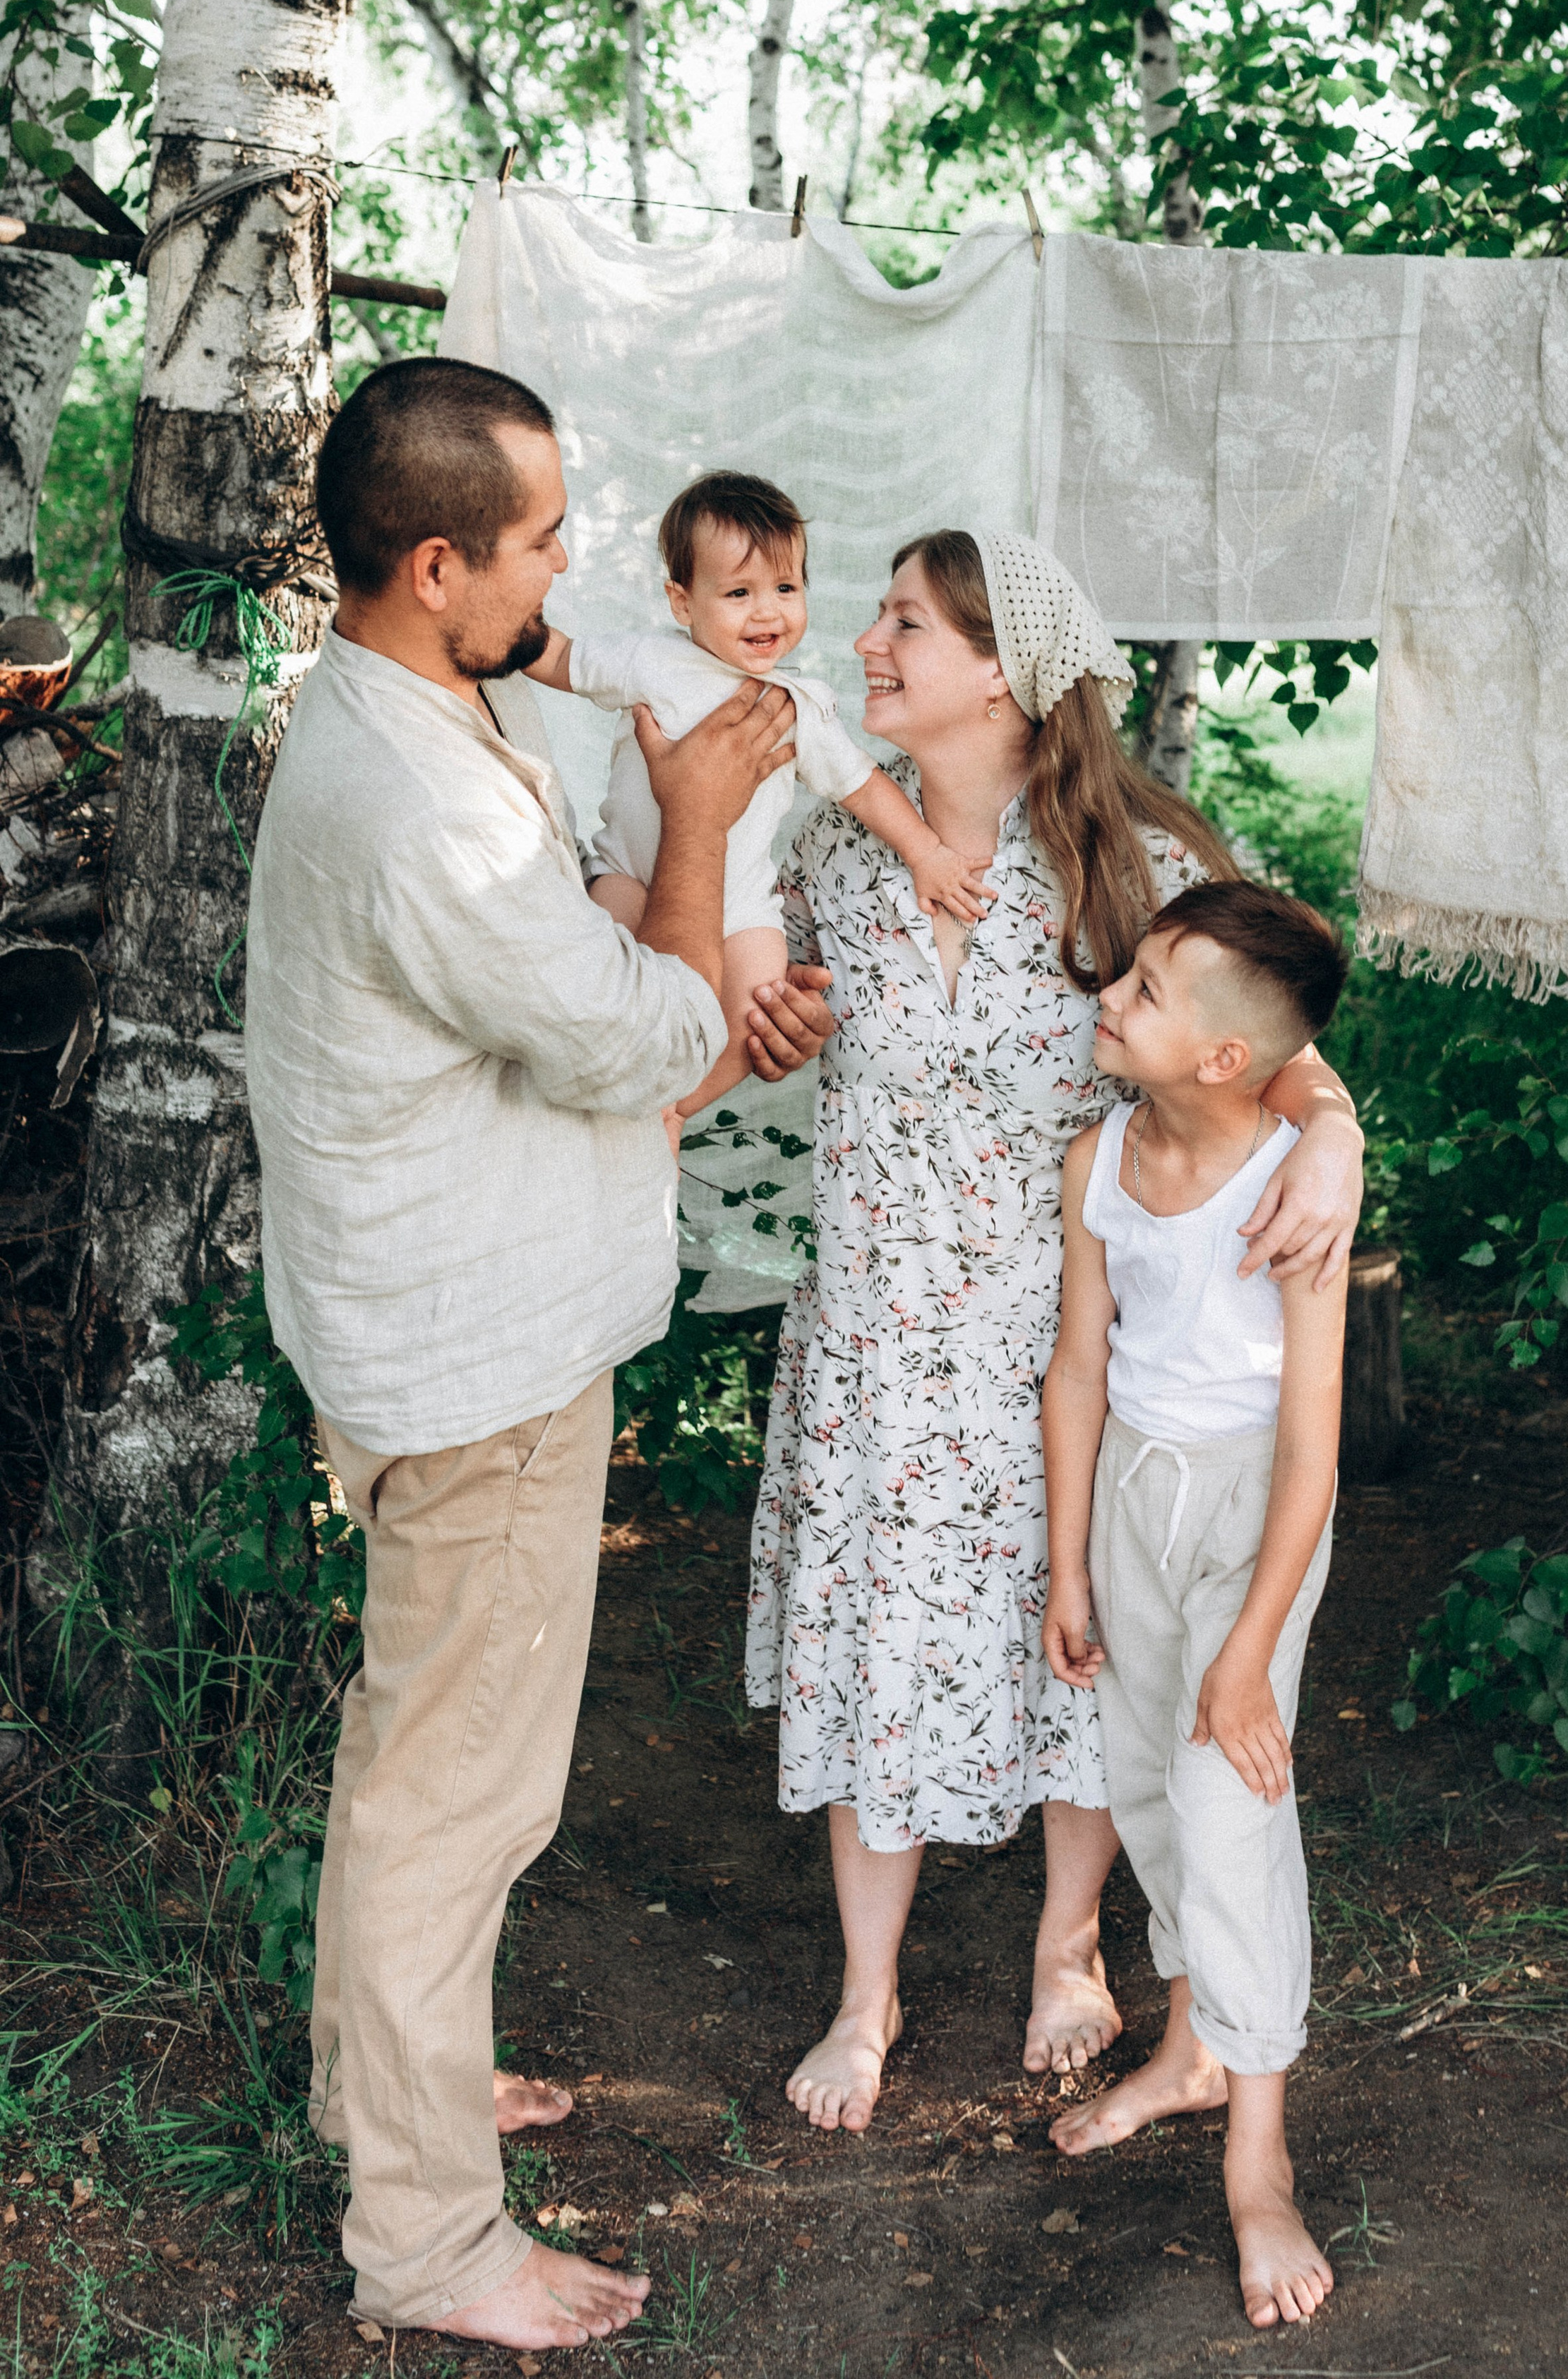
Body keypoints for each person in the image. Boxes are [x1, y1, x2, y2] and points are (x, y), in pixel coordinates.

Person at [244, 357, 832, 2353]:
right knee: (456, 1801)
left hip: (438, 1325)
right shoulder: (414, 795)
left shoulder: (416, 702)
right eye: (543, 540)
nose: (573, 569)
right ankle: (428, 2240)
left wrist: (643, 899)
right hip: (477, 1366)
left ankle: (380, 2082)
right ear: (433, 564)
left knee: (414, 1760)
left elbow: (578, 968)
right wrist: (696, 825)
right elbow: (647, 1036)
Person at [745, 527, 1365, 2136]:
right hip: (876, 1343)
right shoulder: (830, 844)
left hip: (1069, 1343)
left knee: (1079, 1644)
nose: (864, 645)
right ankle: (865, 1993)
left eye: (901, 623)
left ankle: (1066, 1942)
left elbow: (1267, 1044)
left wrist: (1340, 1131)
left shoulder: (1129, 864)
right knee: (880, 1637)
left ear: (1001, 671)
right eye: (875, 618)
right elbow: (760, 1012)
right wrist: (771, 1019)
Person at [1041, 878, 1349, 2331]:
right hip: (1129, 1501)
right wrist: (1066, 1559)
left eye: (1148, 989)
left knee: (1228, 1802)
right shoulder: (1097, 1156)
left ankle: (1258, 2155)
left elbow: (1309, 1444)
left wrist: (1250, 1652)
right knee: (1147, 1793)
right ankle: (1185, 2050)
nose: (1113, 994)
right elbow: (1078, 1371)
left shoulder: (1294, 1180)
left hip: (1252, 1515)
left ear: (1223, 1056)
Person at [528, 471, 993, 1122]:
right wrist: (495, 630)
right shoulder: (649, 661)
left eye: (786, 588)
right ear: (682, 603)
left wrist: (925, 853)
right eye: (739, 593)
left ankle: (670, 1114)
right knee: (600, 988)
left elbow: (860, 784)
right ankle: (609, 1109)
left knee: (757, 1015)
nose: (768, 611)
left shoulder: (795, 704)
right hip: (631, 873)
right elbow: (559, 659)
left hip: (742, 904)